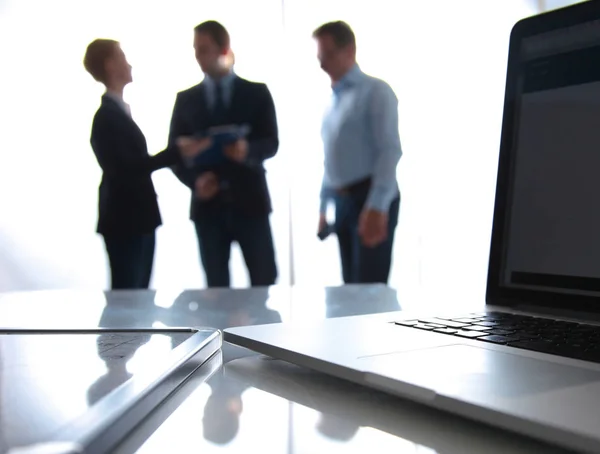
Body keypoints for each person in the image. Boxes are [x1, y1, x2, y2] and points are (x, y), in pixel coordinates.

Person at [83, 39, 207, 289]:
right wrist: (176, 152)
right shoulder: (106, 117)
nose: (128, 63)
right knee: (128, 296)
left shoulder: (117, 111)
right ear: (110, 65)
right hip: (124, 219)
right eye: (121, 57)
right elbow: (126, 170)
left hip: (136, 217)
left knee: (136, 294)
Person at [168, 20, 279, 288]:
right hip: (208, 208)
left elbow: (271, 143)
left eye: (204, 49)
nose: (198, 57)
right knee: (215, 289)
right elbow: (175, 154)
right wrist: (196, 182)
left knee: (264, 280)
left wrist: (247, 150)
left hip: (250, 203)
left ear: (223, 49)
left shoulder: (256, 92)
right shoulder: (186, 99)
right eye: (196, 50)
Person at [314, 21, 402, 284]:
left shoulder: (376, 92)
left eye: (328, 55)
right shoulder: (333, 103)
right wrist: (323, 207)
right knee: (351, 289)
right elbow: (332, 160)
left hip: (369, 197)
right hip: (343, 202)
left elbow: (389, 151)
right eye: (320, 57)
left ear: (349, 50)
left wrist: (376, 206)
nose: (322, 64)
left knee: (369, 291)